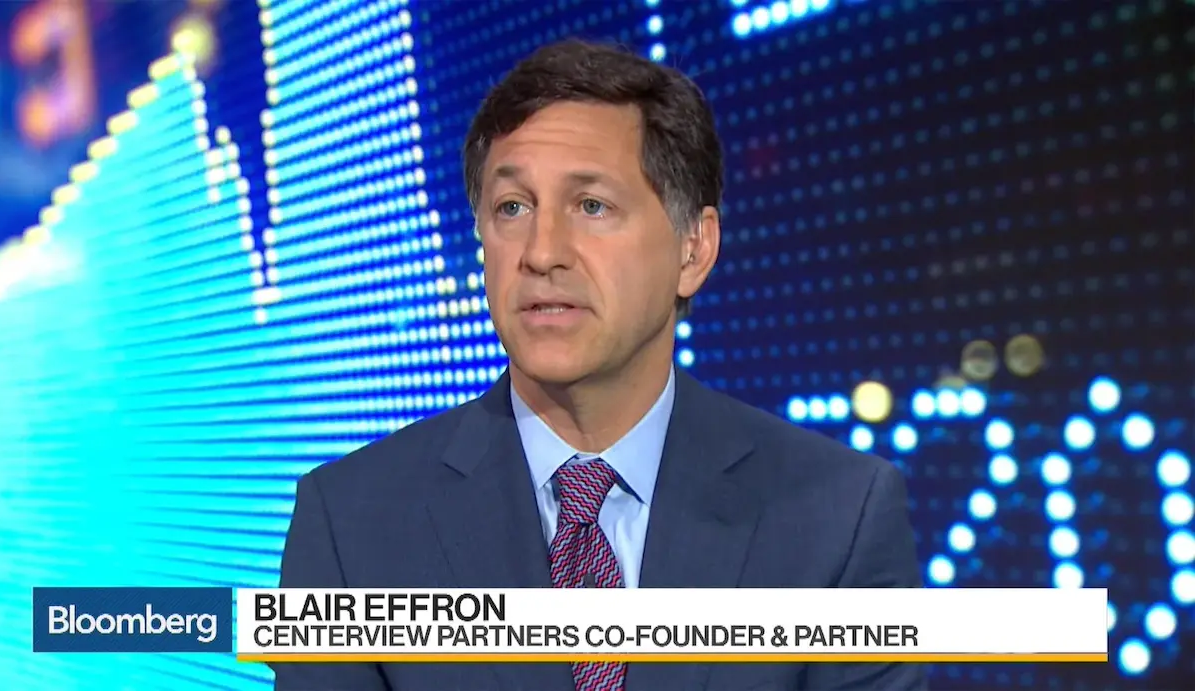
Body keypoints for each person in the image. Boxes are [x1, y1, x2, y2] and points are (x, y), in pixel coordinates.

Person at [273, 38, 925, 691]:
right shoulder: (351, 522)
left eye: (592, 206)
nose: (541, 252)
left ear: (693, 249)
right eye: (512, 207)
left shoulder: (839, 517)